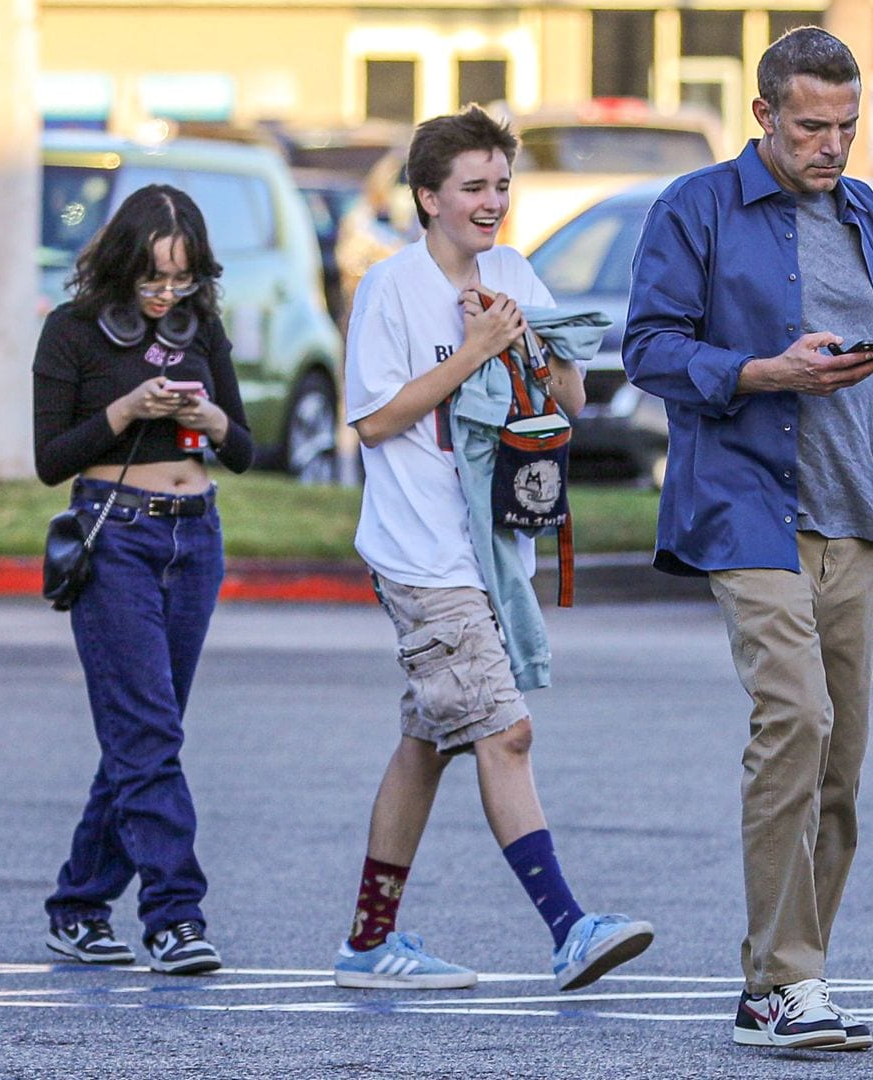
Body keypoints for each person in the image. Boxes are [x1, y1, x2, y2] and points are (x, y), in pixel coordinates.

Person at [624, 27, 873, 1052]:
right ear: (763, 115)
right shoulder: (697, 207)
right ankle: (791, 981)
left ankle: (778, 985)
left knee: (840, 765)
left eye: (846, 126)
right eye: (812, 125)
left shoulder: (869, 216)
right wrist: (766, 372)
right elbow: (649, 348)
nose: (832, 144)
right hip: (745, 503)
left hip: (857, 512)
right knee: (794, 719)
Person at [332, 106, 654, 993]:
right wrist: (473, 349)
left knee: (427, 742)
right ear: (428, 195)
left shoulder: (515, 268)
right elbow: (373, 420)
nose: (492, 203)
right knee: (505, 732)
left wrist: (530, 340)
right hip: (421, 553)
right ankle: (569, 928)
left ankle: (368, 944)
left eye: (502, 186)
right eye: (473, 187)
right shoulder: (390, 289)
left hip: (489, 549)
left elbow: (572, 399)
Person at [32, 185, 253, 975]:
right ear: (122, 269)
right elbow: (50, 459)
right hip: (113, 534)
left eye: (181, 282)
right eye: (152, 281)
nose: (166, 297)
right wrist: (126, 409)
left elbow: (243, 447)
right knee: (148, 735)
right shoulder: (72, 332)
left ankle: (79, 905)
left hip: (197, 536)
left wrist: (215, 419)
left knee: (141, 734)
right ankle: (174, 914)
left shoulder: (204, 328)